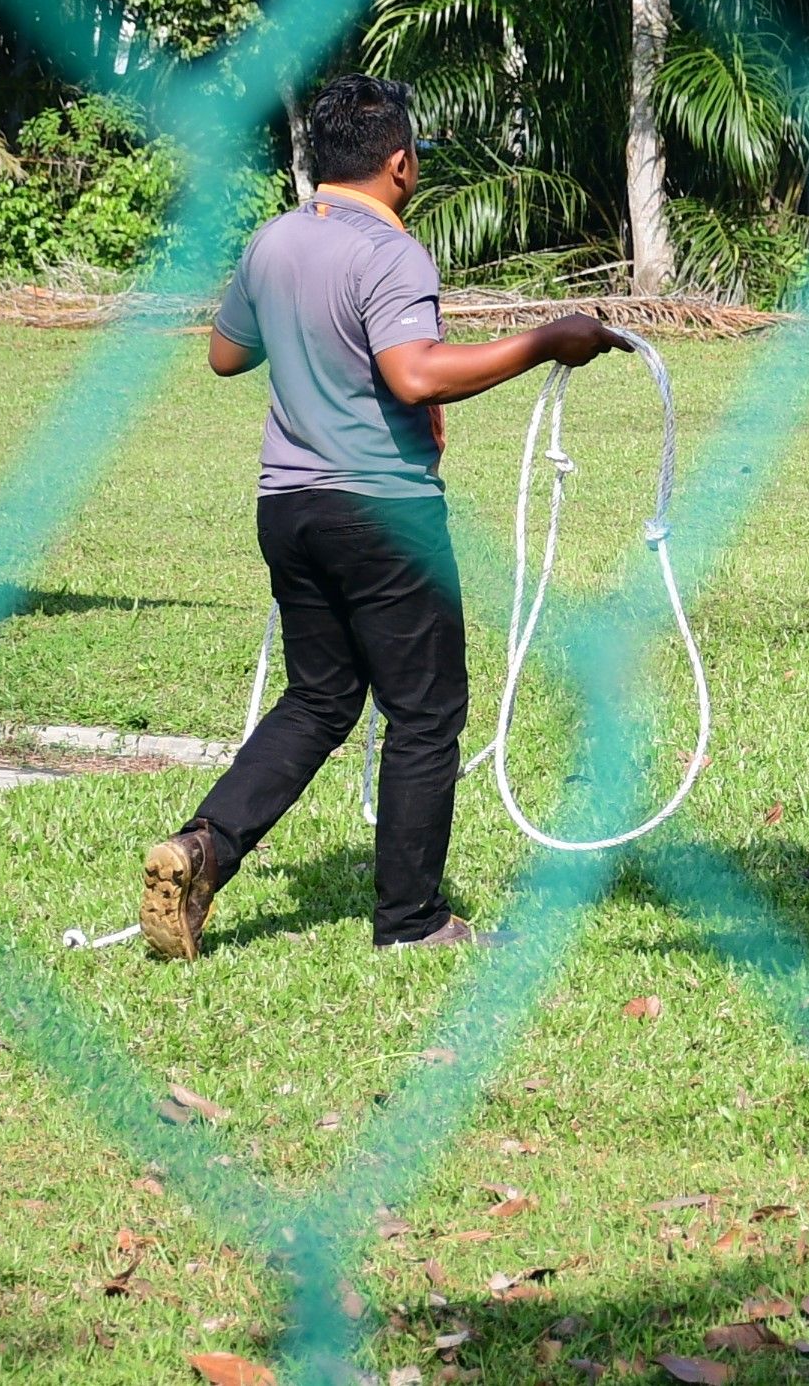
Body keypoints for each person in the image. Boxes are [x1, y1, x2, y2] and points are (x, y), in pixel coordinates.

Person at [141, 74, 619, 957]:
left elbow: (225, 355)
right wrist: (548, 340)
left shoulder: (273, 240)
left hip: (289, 507)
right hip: (384, 509)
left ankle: (203, 846)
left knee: (320, 699)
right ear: (401, 163)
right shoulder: (392, 252)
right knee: (426, 714)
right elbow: (414, 374)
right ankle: (411, 922)